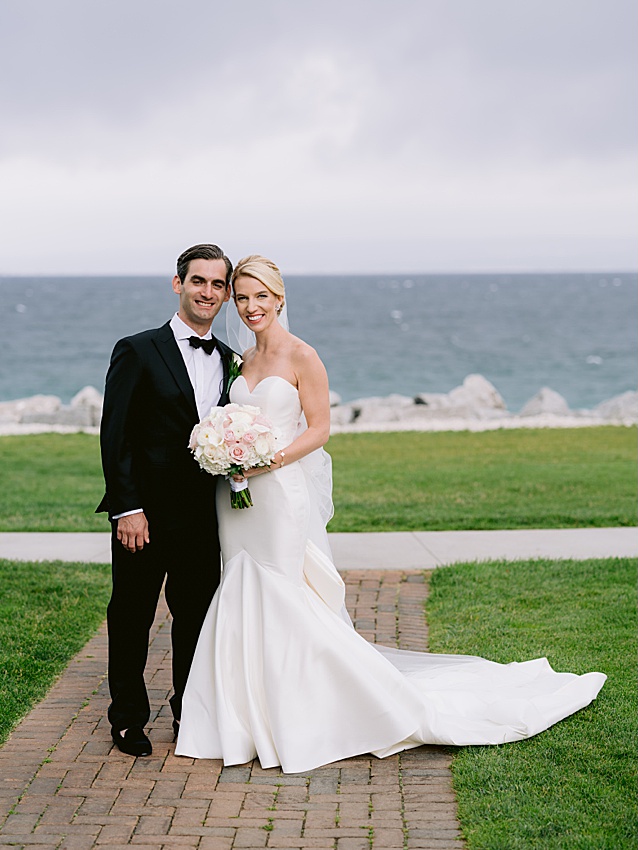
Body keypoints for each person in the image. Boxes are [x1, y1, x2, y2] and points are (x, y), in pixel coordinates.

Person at [175, 255, 606, 774]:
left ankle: (303, 713)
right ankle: (243, 714)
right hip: (238, 499)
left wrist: (267, 460)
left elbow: (319, 429)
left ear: (280, 298)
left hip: (280, 495)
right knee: (242, 587)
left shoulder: (303, 356)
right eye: (241, 298)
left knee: (284, 593)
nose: (250, 307)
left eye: (260, 296)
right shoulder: (241, 360)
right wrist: (227, 453)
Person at [98, 244, 236, 757]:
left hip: (203, 517)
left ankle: (188, 714)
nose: (207, 292)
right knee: (132, 615)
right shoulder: (137, 349)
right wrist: (126, 507)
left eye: (217, 284)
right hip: (145, 517)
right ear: (177, 284)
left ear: (225, 293)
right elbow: (116, 436)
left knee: (196, 619)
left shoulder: (230, 361)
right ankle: (129, 719)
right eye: (198, 281)